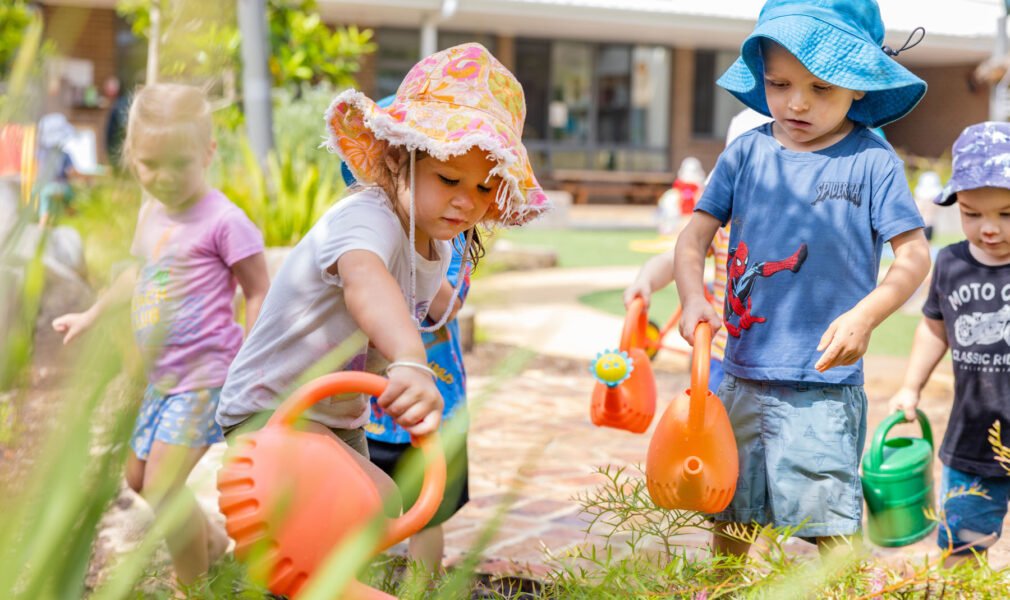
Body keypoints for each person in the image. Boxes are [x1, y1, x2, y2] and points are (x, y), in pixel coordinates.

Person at [215, 42, 550, 563]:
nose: (467, 200)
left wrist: (440, 306)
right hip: (272, 410)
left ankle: (287, 574)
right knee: (352, 516)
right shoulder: (366, 216)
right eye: (449, 179)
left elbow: (417, 293)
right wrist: (411, 360)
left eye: (485, 187)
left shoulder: (434, 243)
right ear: (399, 157)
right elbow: (367, 282)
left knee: (381, 509)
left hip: (337, 416)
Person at [672, 0, 931, 557]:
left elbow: (913, 257)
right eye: (780, 83)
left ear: (859, 87)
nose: (797, 102)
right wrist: (693, 296)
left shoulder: (872, 162)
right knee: (730, 513)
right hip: (739, 373)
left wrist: (865, 316)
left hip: (823, 383)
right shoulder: (746, 153)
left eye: (821, 88)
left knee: (830, 526)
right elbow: (693, 237)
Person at [51, 83, 270, 591]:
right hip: (161, 379)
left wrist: (249, 360)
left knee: (164, 486)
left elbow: (259, 289)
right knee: (136, 480)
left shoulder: (224, 221)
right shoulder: (152, 213)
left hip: (203, 376)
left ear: (207, 153)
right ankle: (210, 543)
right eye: (150, 164)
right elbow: (138, 274)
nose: (164, 177)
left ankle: (193, 584)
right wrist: (92, 313)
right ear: (132, 158)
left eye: (180, 163)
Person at [888, 122, 1010, 569]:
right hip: (973, 439)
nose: (989, 228)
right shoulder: (951, 263)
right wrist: (910, 386)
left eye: (1006, 213)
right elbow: (933, 328)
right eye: (972, 213)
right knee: (962, 543)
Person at [34, 112, 78, 227]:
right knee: (67, 194)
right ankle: (67, 210)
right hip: (60, 187)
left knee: (43, 196)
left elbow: (36, 169)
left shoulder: (41, 154)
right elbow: (72, 171)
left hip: (44, 187)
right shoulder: (64, 154)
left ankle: (43, 220)